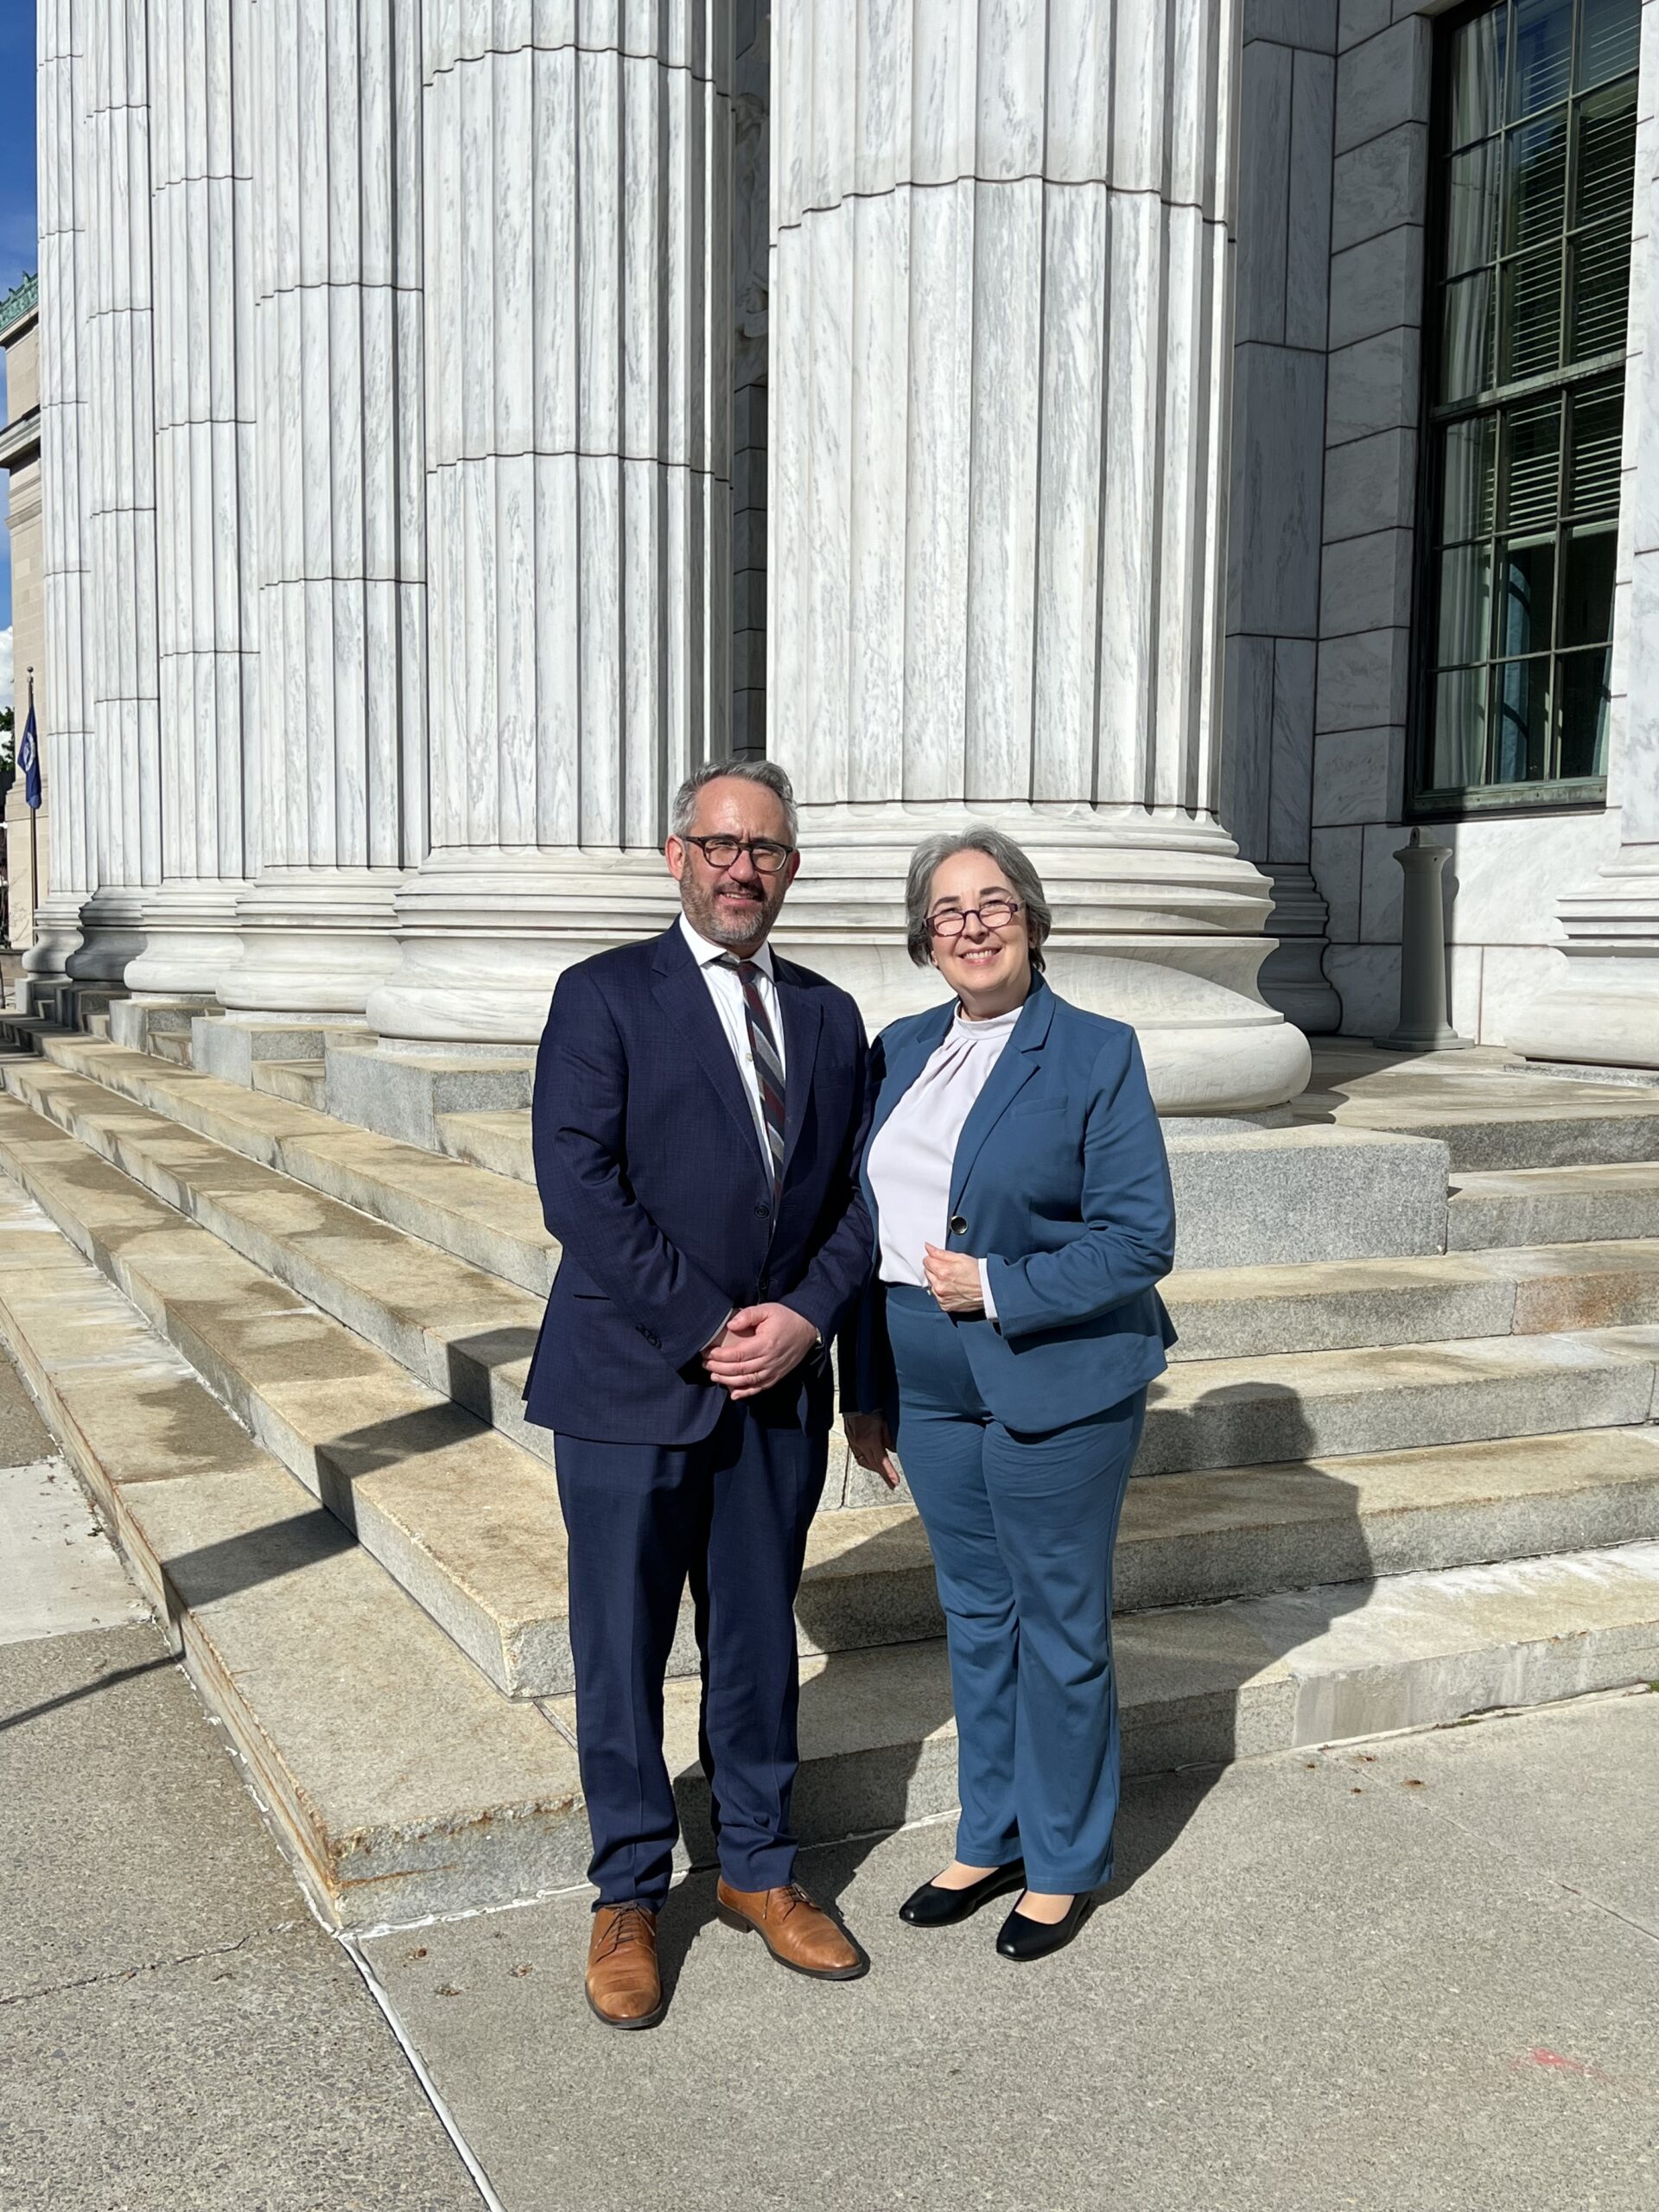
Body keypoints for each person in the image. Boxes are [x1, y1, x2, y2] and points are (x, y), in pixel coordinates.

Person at [527, 760, 874, 2029]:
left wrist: (805, 1319)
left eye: (765, 850)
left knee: (755, 1638)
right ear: (677, 855)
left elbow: (858, 1199)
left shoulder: (829, 1016)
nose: (742, 869)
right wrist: (706, 1323)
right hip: (632, 1378)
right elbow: (576, 1180)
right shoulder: (603, 995)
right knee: (620, 1647)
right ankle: (628, 1891)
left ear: (791, 869)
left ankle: (760, 1867)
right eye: (720, 845)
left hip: (776, 1387)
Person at [841, 828, 1176, 1962]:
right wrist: (864, 1387)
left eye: (994, 903)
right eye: (948, 910)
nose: (973, 925)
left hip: (1055, 1371)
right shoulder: (898, 1049)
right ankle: (991, 1835)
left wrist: (998, 1285)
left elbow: (1139, 1239)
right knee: (978, 1618)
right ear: (923, 937)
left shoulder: (1095, 1051)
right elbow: (866, 1231)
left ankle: (1066, 1859)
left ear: (1031, 919)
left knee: (1059, 1624)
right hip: (922, 1379)